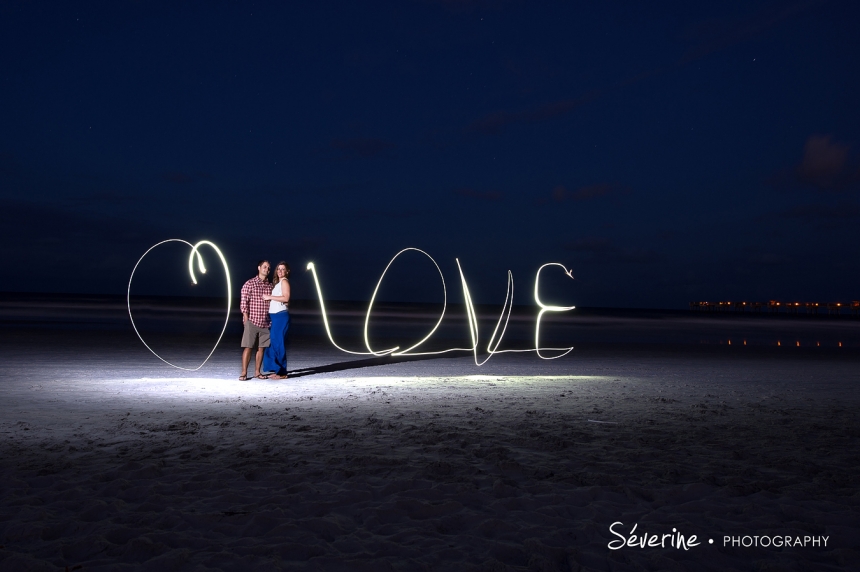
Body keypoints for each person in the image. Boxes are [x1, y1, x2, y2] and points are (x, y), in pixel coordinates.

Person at [239, 260, 273, 380]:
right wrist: (246, 318)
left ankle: (257, 372)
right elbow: (244, 301)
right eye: (264, 267)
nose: (267, 269)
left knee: (261, 348)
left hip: (266, 322)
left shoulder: (270, 286)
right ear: (259, 268)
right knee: (248, 347)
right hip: (252, 321)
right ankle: (244, 372)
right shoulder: (250, 283)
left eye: (268, 268)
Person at [262, 261, 291, 379]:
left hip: (281, 316)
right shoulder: (278, 283)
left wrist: (269, 297)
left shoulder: (284, 282)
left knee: (279, 343)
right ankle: (277, 369)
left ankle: (282, 373)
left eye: (283, 269)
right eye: (278, 269)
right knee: (273, 343)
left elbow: (286, 297)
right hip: (275, 316)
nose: (280, 271)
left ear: (287, 271)